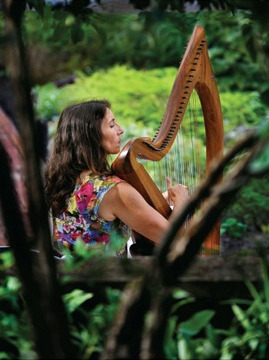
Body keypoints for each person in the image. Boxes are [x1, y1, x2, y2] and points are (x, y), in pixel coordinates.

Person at [45, 100, 189, 257]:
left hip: (70, 277)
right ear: (92, 134)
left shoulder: (64, 181)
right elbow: (174, 239)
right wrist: (182, 200)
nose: (120, 130)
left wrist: (161, 199)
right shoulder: (113, 190)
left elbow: (96, 218)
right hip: (110, 279)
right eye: (112, 125)